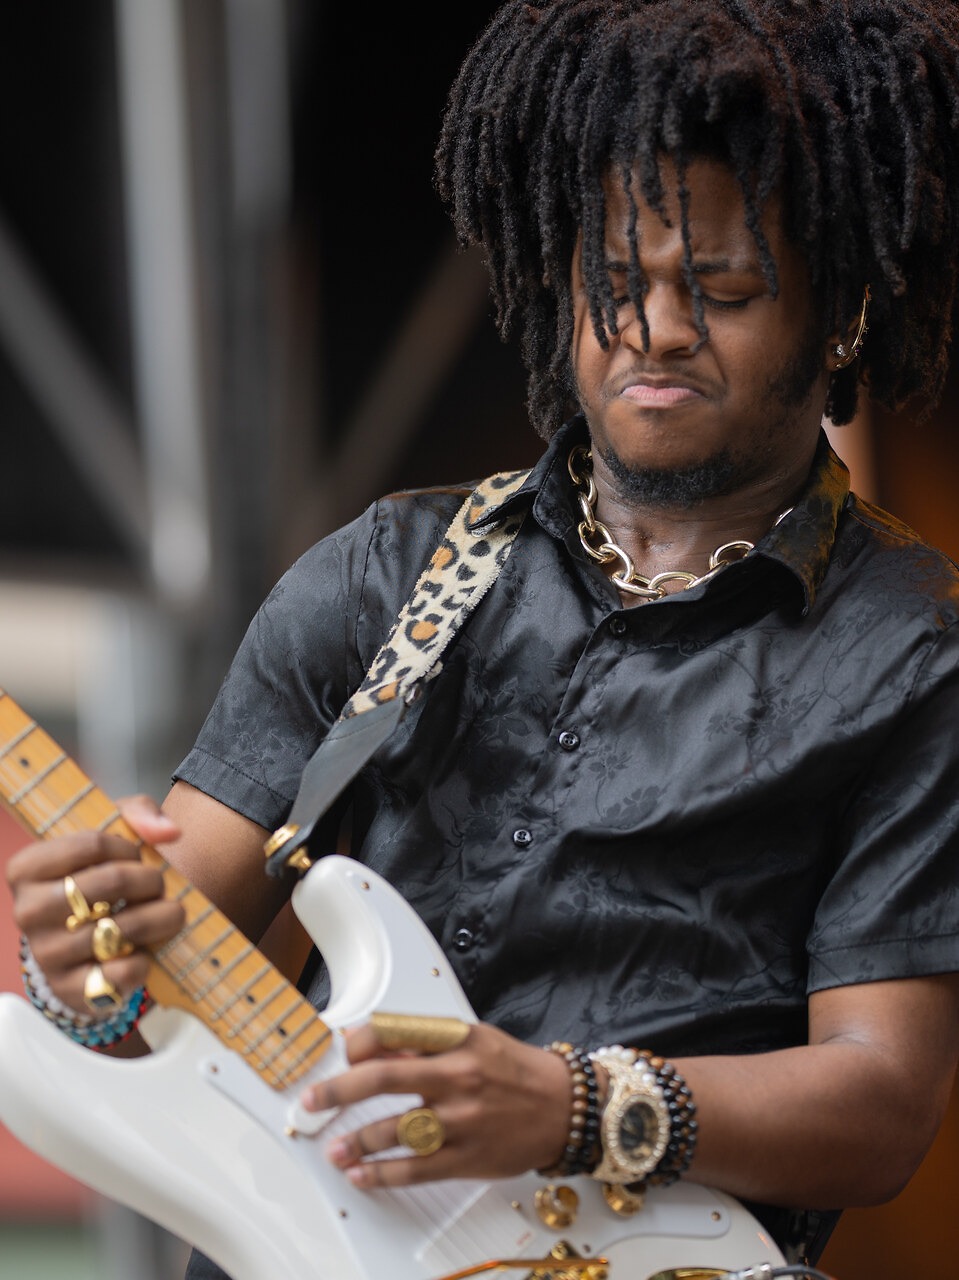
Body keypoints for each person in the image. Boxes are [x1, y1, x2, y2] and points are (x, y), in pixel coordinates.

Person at [8, 1, 959, 1276]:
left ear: (837, 312)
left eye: (722, 289)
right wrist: (86, 962)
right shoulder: (380, 574)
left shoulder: (911, 651)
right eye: (614, 281)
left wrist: (569, 1104)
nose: (654, 327)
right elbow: (150, 997)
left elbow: (880, 1102)